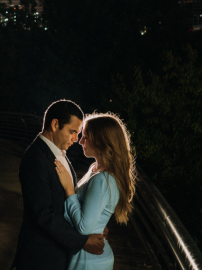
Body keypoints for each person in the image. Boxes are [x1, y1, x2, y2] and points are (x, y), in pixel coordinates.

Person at [11, 100, 106, 270]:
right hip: (41, 257)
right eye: (72, 132)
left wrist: (94, 223)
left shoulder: (58, 153)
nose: (76, 139)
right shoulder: (35, 158)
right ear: (55, 124)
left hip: (58, 253)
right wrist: (81, 241)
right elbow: (43, 214)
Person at [54, 112, 137, 270]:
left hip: (89, 260)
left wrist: (68, 189)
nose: (80, 141)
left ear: (101, 141)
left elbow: (84, 227)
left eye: (85, 136)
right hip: (88, 255)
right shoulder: (95, 169)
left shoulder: (103, 180)